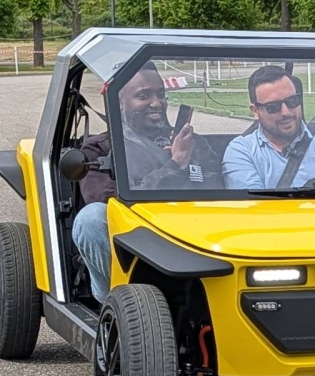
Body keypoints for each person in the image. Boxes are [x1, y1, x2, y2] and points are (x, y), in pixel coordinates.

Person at [72, 61, 221, 303]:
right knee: (90, 219)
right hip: (132, 255)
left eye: (160, 94)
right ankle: (122, 305)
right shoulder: (99, 149)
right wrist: (175, 165)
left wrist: (185, 160)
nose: (156, 103)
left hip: (194, 245)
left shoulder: (194, 143)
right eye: (144, 95)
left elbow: (220, 194)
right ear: (119, 102)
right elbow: (111, 207)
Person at [222, 65, 315, 189]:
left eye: (292, 101)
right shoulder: (241, 151)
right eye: (273, 107)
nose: (286, 112)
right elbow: (254, 208)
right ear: (255, 111)